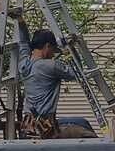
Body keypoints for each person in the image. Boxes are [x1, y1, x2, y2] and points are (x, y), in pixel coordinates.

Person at [10, 9, 70, 139]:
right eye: (53, 50)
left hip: (28, 123)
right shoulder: (50, 66)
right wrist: (71, 49)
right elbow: (76, 74)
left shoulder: (24, 64)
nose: (54, 54)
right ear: (47, 46)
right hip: (45, 125)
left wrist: (20, 21)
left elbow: (24, 42)